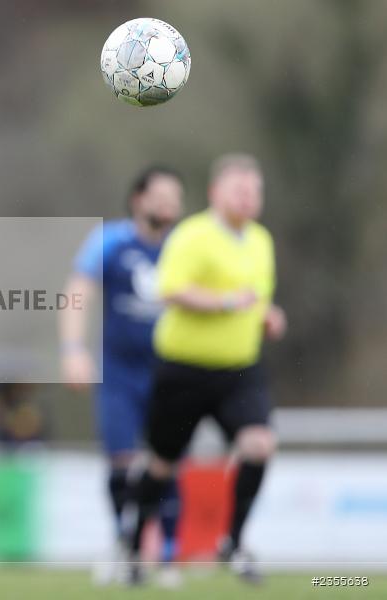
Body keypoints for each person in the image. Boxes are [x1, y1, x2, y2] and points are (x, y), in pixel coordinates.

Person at [126, 154, 287, 584]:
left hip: (239, 370)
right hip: (183, 370)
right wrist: (226, 303)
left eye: (255, 191)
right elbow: (171, 290)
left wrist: (266, 315)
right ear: (216, 193)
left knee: (260, 444)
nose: (249, 198)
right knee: (162, 464)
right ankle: (134, 549)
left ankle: (232, 542)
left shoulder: (261, 240)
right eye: (240, 189)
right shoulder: (193, 236)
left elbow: (253, 298)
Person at [59, 166, 184, 585]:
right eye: (161, 195)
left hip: (171, 373)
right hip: (119, 375)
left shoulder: (185, 247)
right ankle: (125, 545)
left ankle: (167, 556)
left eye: (176, 197)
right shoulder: (110, 241)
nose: (169, 204)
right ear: (138, 199)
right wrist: (73, 350)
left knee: (167, 462)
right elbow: (78, 292)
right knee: (120, 462)